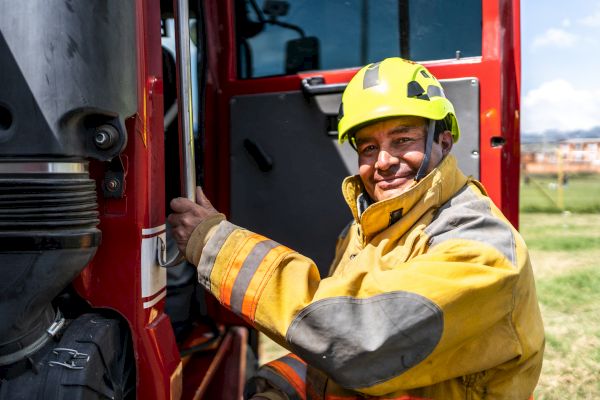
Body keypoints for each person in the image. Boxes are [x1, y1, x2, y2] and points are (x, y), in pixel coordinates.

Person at [168, 58, 544, 400]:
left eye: (402, 140)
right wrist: (282, 388)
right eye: (368, 147)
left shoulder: (482, 248)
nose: (383, 162)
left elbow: (361, 341)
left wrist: (216, 246)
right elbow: (329, 348)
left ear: (443, 142)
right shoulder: (363, 231)